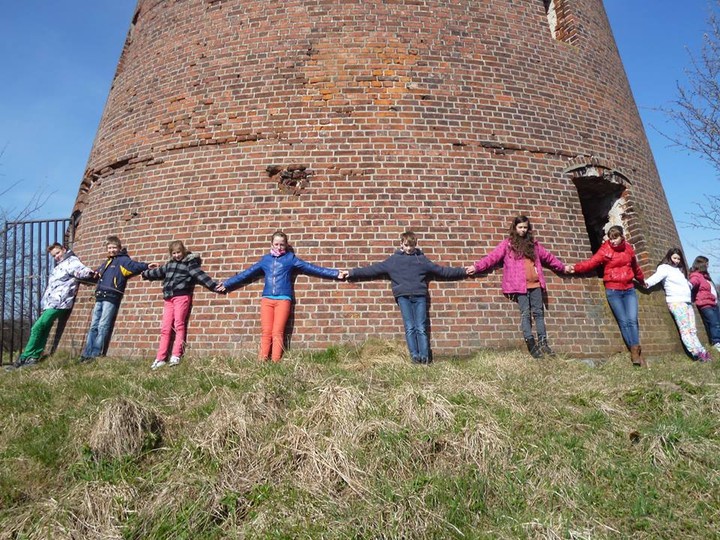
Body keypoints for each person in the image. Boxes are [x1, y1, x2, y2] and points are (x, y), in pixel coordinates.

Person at [346, 231, 469, 365]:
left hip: (420, 297)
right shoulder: (393, 261)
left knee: (421, 327)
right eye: (406, 245)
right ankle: (415, 358)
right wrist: (351, 273)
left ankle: (425, 358)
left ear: (415, 245)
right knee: (410, 327)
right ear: (401, 244)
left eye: (412, 246)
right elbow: (372, 269)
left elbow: (443, 271)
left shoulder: (421, 260)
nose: (409, 249)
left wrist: (463, 271)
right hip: (403, 298)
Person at [222, 231, 345, 362]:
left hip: (283, 299)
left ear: (286, 245)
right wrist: (227, 284)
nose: (279, 247)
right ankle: (261, 362)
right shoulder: (266, 260)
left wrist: (335, 273)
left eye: (282, 244)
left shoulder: (290, 259)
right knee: (266, 332)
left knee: (277, 332)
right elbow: (247, 273)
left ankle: (275, 362)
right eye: (276, 244)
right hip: (267, 299)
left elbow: (311, 268)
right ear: (271, 244)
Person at [466, 215, 568, 359]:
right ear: (515, 228)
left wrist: (563, 268)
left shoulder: (534, 244)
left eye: (525, 227)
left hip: (536, 284)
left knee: (539, 313)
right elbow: (492, 257)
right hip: (520, 286)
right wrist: (476, 267)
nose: (523, 230)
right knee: (525, 314)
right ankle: (531, 343)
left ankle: (544, 343)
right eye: (520, 227)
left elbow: (549, 258)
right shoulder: (508, 245)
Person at [6, 243, 95, 371]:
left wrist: (91, 273)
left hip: (60, 303)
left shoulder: (71, 261)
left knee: (37, 327)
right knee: (44, 328)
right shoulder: (60, 265)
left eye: (58, 253)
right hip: (51, 303)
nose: (56, 257)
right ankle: (34, 357)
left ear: (64, 249)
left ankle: (24, 357)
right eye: (54, 256)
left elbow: (81, 270)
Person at [569, 225, 647, 367]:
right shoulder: (605, 249)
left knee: (632, 320)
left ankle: (635, 349)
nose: (613, 241)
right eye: (611, 238)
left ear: (622, 236)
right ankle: (634, 352)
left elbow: (635, 268)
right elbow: (591, 263)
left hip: (629, 289)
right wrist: (576, 268)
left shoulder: (629, 249)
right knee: (623, 321)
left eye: (616, 238)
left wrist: (642, 281)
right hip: (613, 290)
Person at [141, 240, 224, 370]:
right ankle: (160, 358)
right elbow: (157, 272)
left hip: (181, 296)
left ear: (183, 251)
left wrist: (213, 286)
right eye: (174, 253)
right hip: (168, 298)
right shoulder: (170, 265)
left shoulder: (189, 264)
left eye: (178, 252)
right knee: (165, 328)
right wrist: (144, 273)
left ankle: (176, 355)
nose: (176, 255)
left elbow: (199, 275)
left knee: (179, 325)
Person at [79, 236, 154, 363]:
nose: (112, 250)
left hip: (111, 296)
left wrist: (147, 265)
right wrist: (91, 276)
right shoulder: (107, 262)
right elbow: (97, 274)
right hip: (99, 296)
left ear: (119, 248)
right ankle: (87, 352)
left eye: (114, 247)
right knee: (93, 326)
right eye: (109, 248)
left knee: (103, 325)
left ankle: (95, 354)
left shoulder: (122, 260)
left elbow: (135, 266)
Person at [645, 248, 711, 362]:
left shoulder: (679, 271)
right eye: (674, 258)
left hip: (687, 302)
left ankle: (702, 351)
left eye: (679, 259)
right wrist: (645, 283)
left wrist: (689, 286)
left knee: (692, 330)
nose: (676, 261)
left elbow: (686, 285)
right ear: (669, 257)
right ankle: (696, 354)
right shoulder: (664, 268)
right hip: (676, 302)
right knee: (685, 329)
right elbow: (655, 278)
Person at [689, 255, 720, 353]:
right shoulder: (696, 276)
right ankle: (716, 343)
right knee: (714, 323)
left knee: (717, 323)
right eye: (706, 264)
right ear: (701, 264)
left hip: (713, 303)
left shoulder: (705, 277)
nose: (708, 266)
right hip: (705, 304)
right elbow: (691, 284)